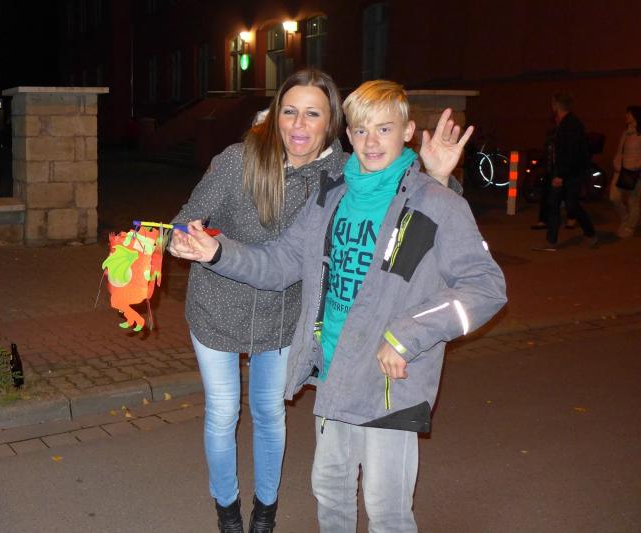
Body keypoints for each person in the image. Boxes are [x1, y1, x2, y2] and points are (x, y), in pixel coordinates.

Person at [171, 79, 506, 532]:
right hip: (332, 372)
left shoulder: (433, 201)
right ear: (348, 134)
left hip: (390, 382)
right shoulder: (331, 197)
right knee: (330, 497)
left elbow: (485, 287)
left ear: (407, 131)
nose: (372, 142)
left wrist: (408, 336)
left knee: (387, 512)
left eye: (384, 129)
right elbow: (280, 262)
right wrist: (218, 252)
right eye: (361, 130)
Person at [535, 92, 597, 251]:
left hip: (569, 173)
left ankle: (590, 233)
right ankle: (551, 241)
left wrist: (560, 175)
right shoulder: (566, 123)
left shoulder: (570, 125)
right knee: (556, 205)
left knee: (571, 205)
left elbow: (569, 152)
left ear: (556, 105)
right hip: (567, 171)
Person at [609, 105, 641, 238]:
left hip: (636, 172)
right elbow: (619, 151)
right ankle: (625, 218)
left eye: (628, 114)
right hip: (621, 171)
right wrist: (616, 162)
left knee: (633, 201)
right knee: (614, 197)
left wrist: (636, 166)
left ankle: (630, 226)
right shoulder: (625, 133)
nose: (626, 116)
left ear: (635, 116)